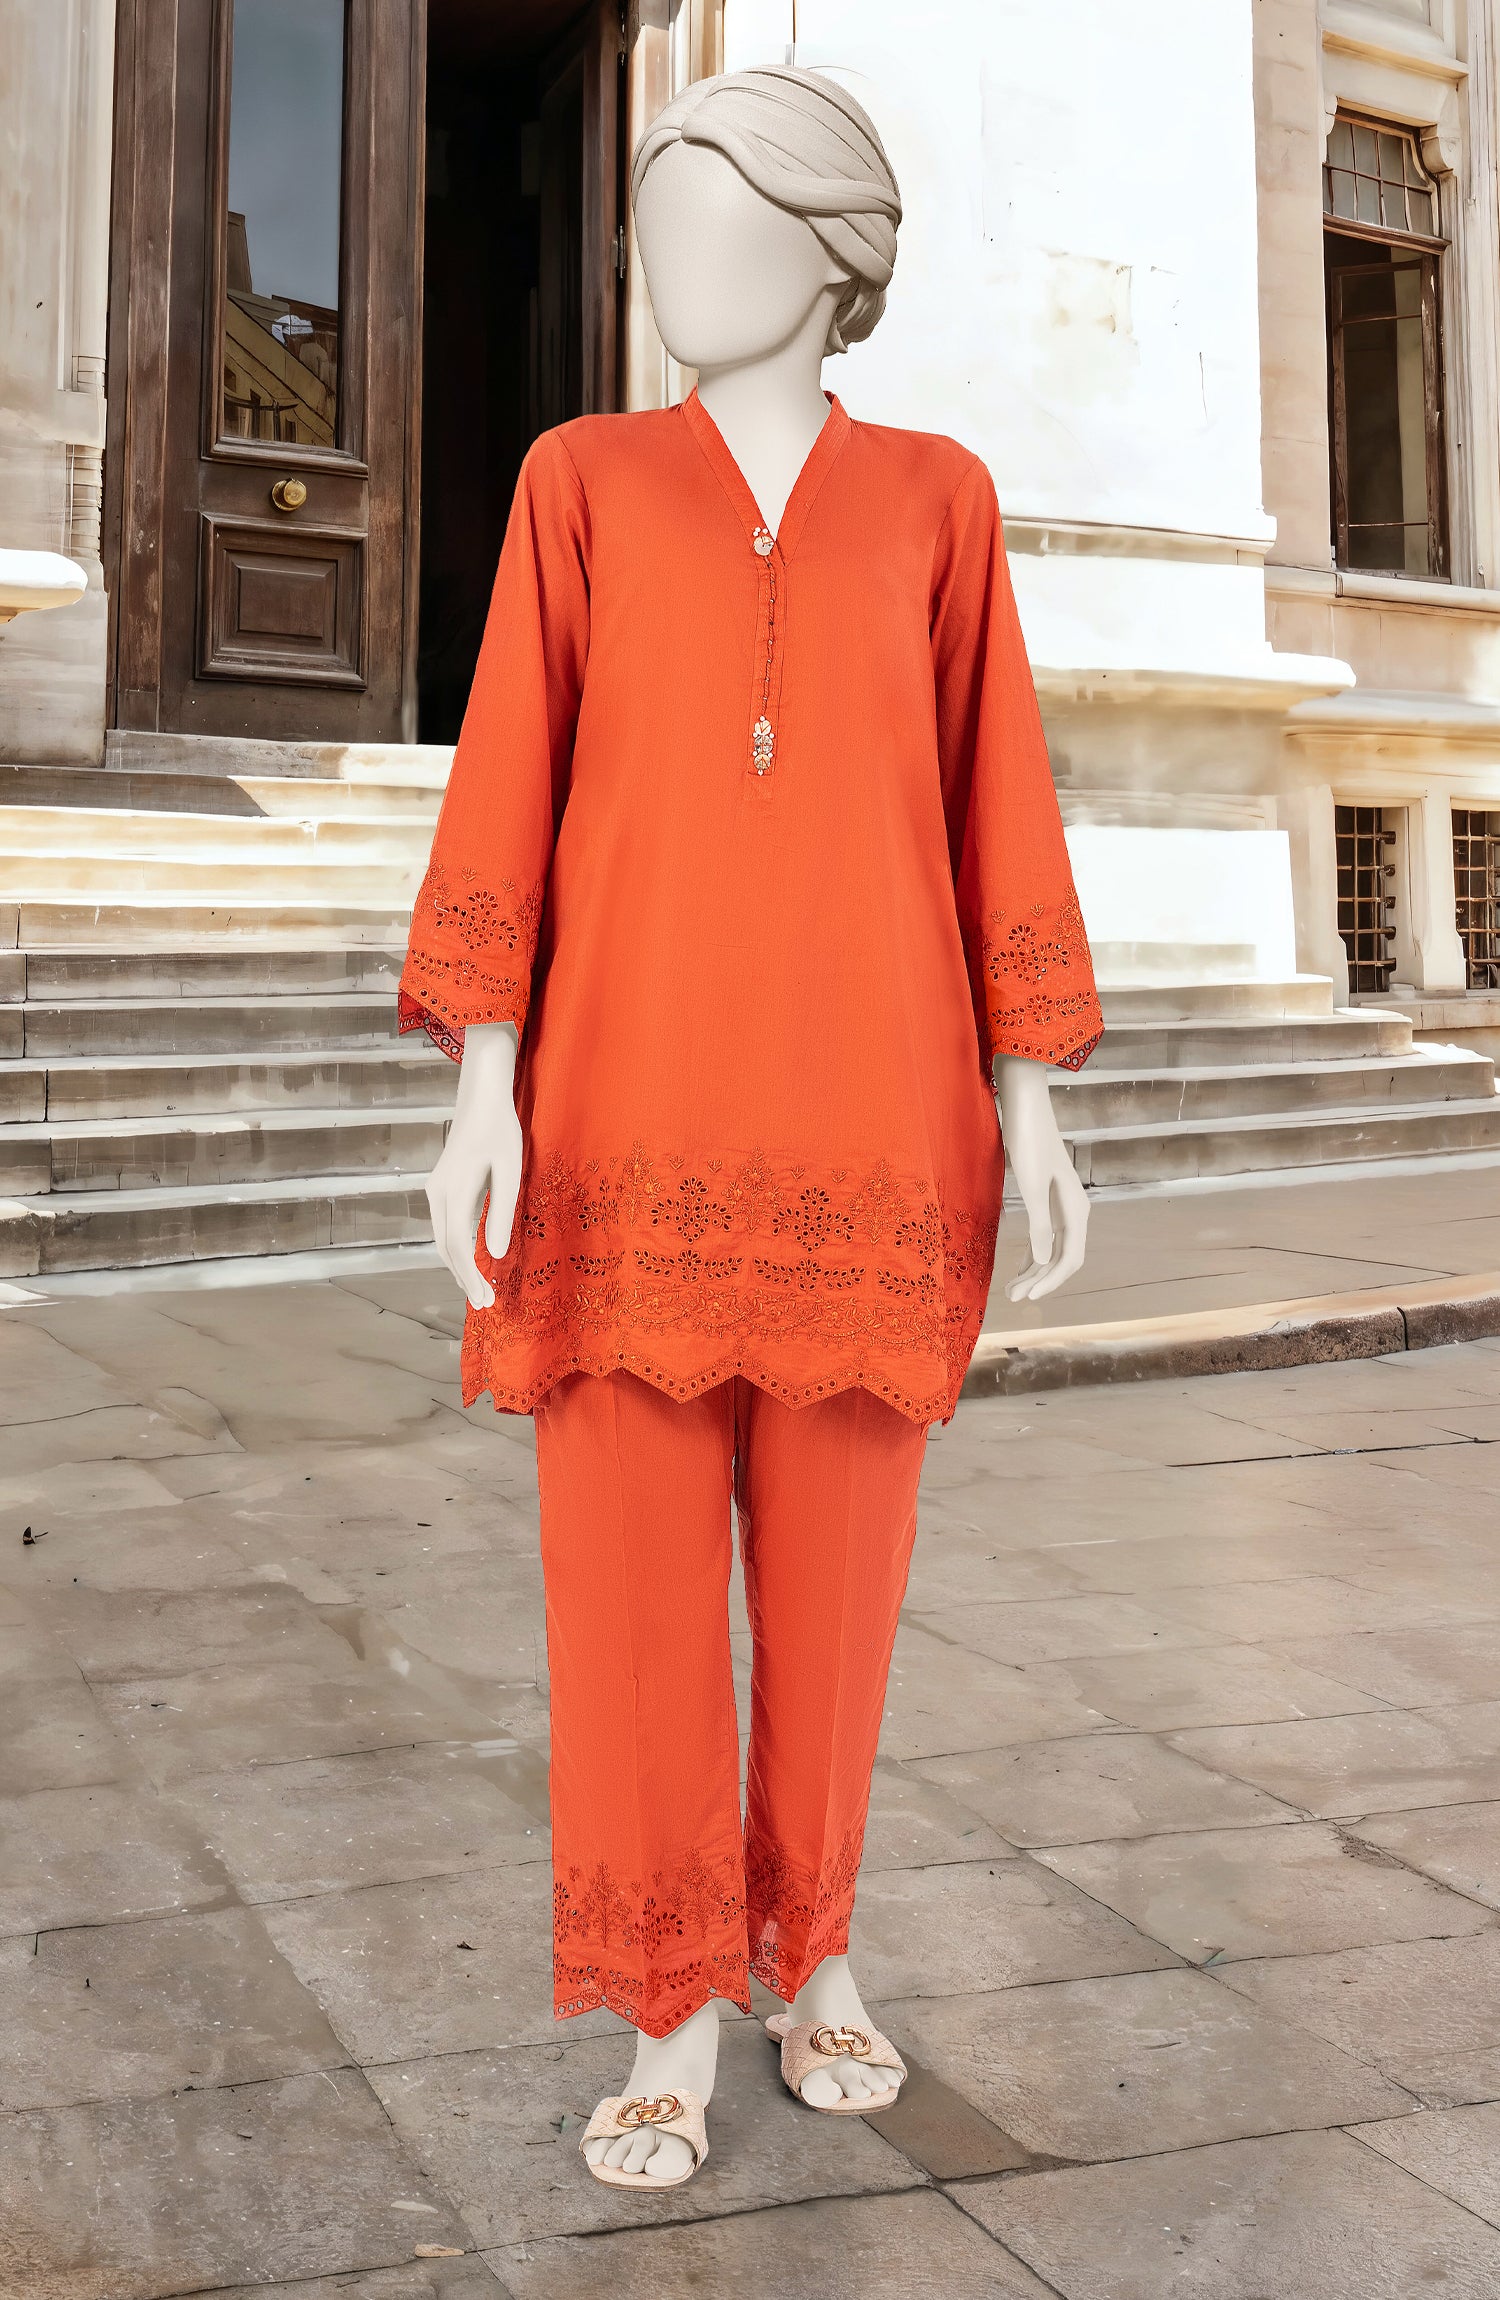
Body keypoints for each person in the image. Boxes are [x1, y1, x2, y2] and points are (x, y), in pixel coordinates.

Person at [400, 64, 1101, 2191]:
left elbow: (993, 792)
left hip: (878, 1131)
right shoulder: (581, 482)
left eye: (718, 215)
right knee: (625, 1593)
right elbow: (511, 768)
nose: (669, 257)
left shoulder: (941, 503)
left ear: (831, 257)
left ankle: (818, 1957)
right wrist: (484, 1085)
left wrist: (1031, 1095)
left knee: (842, 1587)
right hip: (616, 1131)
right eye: (659, 216)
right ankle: (666, 2003)